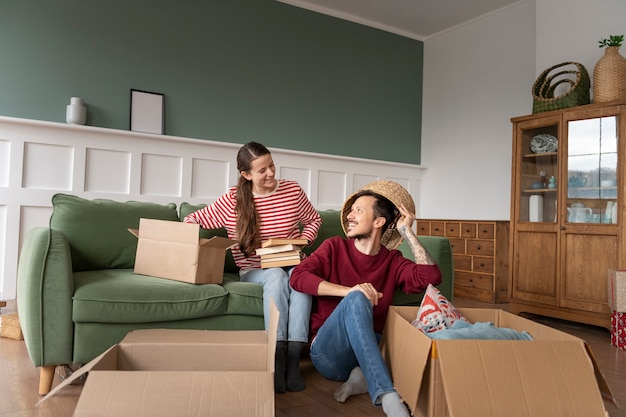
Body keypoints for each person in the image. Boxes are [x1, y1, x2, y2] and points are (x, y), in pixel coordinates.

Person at [290, 180, 441, 417]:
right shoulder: (334, 247)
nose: (350, 215)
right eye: (350, 211)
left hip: (372, 349)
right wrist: (349, 291)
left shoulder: (392, 260)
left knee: (394, 337)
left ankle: (360, 378)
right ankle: (387, 396)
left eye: (358, 210)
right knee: (358, 297)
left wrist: (406, 231)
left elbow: (431, 276)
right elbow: (298, 277)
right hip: (329, 354)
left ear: (379, 221)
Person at [184, 141, 322, 393]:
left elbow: (314, 219)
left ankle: (293, 359)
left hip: (291, 260)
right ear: (246, 175)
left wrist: (305, 239)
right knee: (276, 277)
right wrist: (194, 239)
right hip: (254, 269)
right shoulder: (232, 200)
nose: (270, 173)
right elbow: (192, 219)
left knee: (301, 279)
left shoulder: (292, 190)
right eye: (262, 170)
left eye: (271, 165)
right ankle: (276, 358)